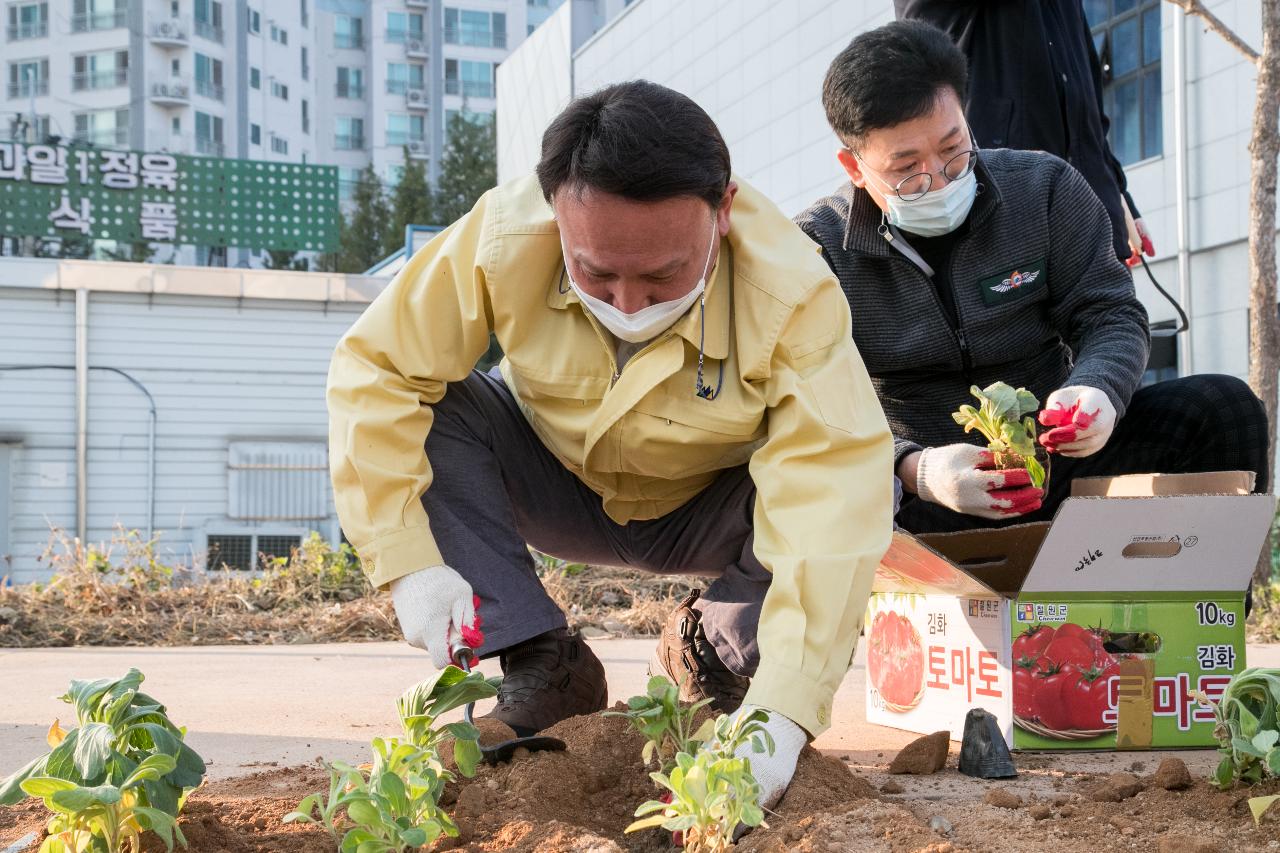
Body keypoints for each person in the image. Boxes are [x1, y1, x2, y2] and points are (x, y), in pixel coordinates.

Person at [328, 80, 894, 813]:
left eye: (663, 275)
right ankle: (543, 662)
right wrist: (408, 566)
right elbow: (377, 368)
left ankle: (714, 655)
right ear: (555, 210)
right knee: (436, 407)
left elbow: (834, 486)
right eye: (595, 272)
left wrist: (782, 714)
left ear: (722, 211)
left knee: (870, 480)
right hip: (552, 480)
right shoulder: (504, 234)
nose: (630, 305)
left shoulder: (793, 294)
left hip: (714, 509)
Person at [794, 20, 1268, 535]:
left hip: (1056, 458)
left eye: (954, 150)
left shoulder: (1043, 189)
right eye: (907, 169)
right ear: (854, 166)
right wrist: (914, 469)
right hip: (922, 497)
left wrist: (1098, 389)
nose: (939, 181)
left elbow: (1110, 312)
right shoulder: (815, 251)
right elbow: (812, 410)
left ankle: (1204, 612)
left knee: (1222, 407)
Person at [895, 0, 1154, 266]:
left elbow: (1087, 103)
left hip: (1092, 216)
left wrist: (1118, 192)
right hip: (1010, 216)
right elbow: (919, 39)